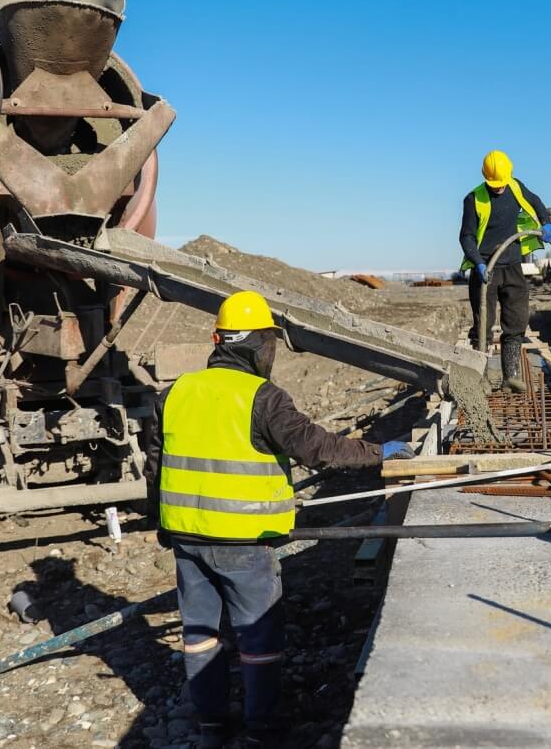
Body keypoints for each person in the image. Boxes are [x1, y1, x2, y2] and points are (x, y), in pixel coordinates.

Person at [144, 290, 413, 748]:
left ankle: (211, 727)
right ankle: (263, 732)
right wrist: (379, 450)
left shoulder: (175, 393)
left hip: (186, 539)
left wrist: (163, 526)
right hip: (243, 543)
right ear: (258, 344)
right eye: (270, 344)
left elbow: (156, 465)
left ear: (220, 341)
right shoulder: (262, 397)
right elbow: (316, 448)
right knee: (258, 640)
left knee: (199, 635)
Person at [458, 149, 551, 392]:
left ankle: (510, 377)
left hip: (512, 265)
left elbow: (537, 203)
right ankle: (482, 379)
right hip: (485, 271)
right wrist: (478, 262)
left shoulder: (516, 186)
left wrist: (546, 222)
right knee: (483, 327)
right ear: (485, 177)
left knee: (516, 321)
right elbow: (466, 236)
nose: (499, 187)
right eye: (494, 184)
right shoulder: (473, 199)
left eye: (502, 183)